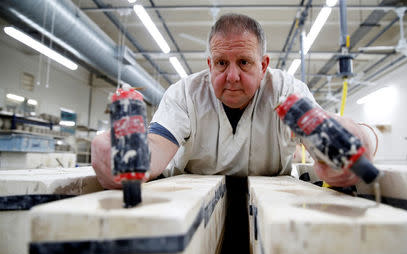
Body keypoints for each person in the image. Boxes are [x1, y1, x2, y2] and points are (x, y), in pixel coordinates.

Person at [91, 13, 375, 190]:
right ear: (209, 63)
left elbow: (327, 137)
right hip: (195, 207)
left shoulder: (286, 91)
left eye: (244, 62)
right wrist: (128, 157)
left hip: (269, 206)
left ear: (263, 65)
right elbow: (155, 149)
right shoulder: (185, 93)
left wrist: (361, 137)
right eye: (221, 63)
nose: (232, 76)